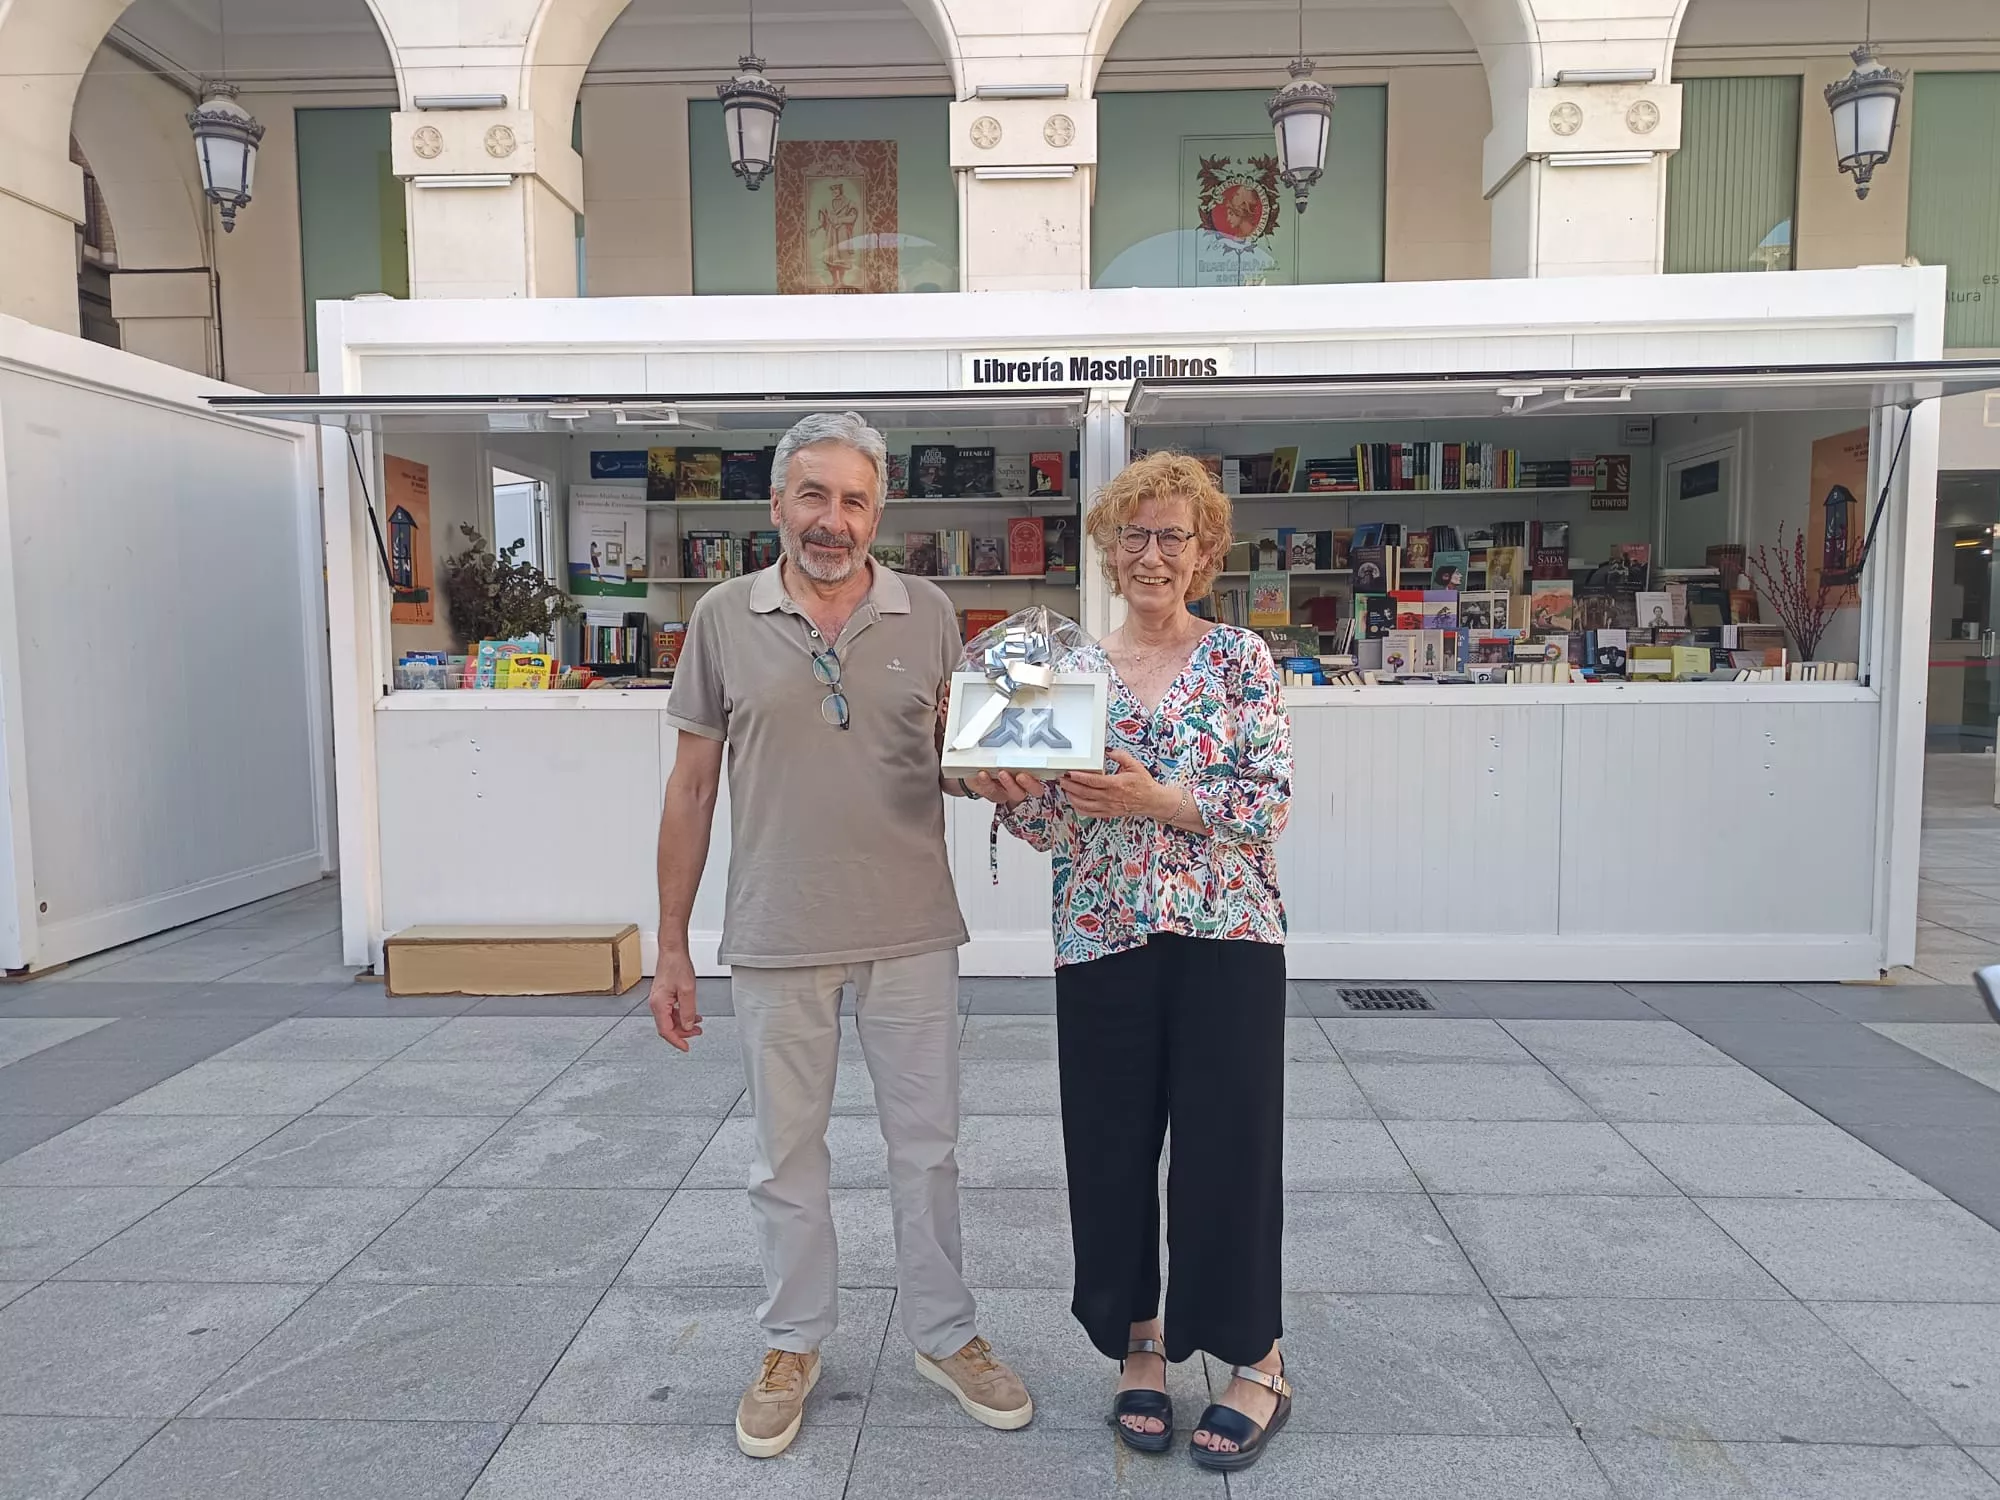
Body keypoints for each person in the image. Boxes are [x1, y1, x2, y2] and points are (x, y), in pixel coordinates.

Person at [650, 411, 1033, 1459]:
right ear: (777, 506)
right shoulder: (724, 616)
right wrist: (672, 946)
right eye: (812, 496)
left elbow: (959, 757)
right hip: (775, 930)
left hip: (909, 927)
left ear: (878, 512)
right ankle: (791, 1343)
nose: (832, 520)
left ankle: (945, 1336)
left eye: (853, 500)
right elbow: (689, 790)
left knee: (928, 1149)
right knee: (786, 1158)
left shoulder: (931, 612)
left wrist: (1007, 771)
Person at [964, 451, 1294, 1473]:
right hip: (1100, 933)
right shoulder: (1059, 670)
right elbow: (1054, 828)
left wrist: (1161, 800)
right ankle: (1136, 1343)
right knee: (1107, 1152)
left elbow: (1264, 802)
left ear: (1205, 554)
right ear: (1107, 549)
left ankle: (1255, 1356)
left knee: (1226, 1149)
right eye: (1134, 535)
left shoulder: (1241, 659)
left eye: (1173, 537)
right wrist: (998, 787)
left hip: (1225, 936)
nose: (1152, 555)